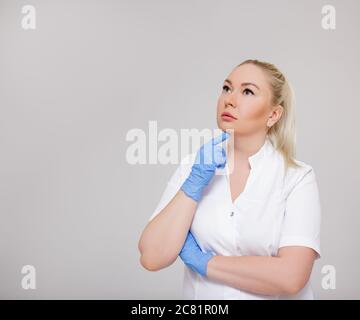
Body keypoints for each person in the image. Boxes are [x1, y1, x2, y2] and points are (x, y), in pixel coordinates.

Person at [138, 59, 322, 300]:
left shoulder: (297, 178)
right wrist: (193, 185)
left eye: (247, 91)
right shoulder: (194, 168)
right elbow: (152, 257)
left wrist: (205, 263)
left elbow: (291, 277)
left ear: (273, 114)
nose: (230, 99)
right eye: (226, 88)